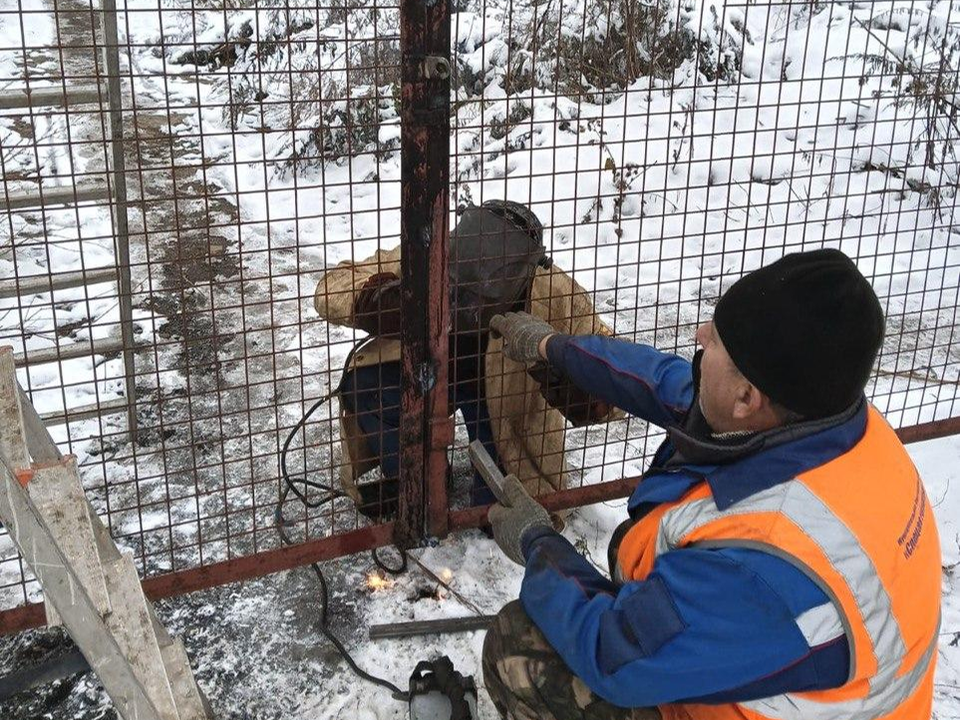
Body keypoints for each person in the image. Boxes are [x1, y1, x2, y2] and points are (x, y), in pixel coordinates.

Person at [482, 249, 942, 720]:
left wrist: (537, 542)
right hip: (789, 664)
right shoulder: (831, 420)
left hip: (766, 630)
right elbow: (668, 384)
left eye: (716, 341)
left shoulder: (768, 564)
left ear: (747, 397)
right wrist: (552, 347)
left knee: (519, 648)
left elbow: (611, 652)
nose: (700, 336)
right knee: (638, 548)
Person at [313, 200, 618, 519]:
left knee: (498, 517)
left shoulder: (554, 290)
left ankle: (490, 484)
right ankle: (417, 476)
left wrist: (569, 381)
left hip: (501, 401)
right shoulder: (435, 254)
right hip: (434, 374)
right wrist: (387, 301)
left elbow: (615, 368)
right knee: (364, 385)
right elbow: (330, 287)